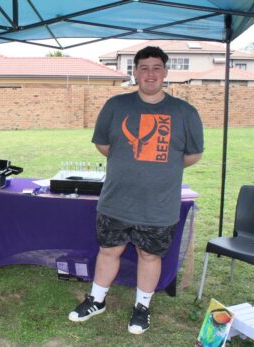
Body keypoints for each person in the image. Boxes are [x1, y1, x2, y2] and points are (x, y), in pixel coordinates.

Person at [68, 46, 204, 334]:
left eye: (157, 67)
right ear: (135, 72)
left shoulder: (185, 113)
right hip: (116, 201)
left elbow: (192, 155)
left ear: (166, 72)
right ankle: (97, 299)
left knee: (149, 256)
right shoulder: (115, 107)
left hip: (158, 205)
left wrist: (161, 169)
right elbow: (103, 145)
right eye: (144, 67)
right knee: (108, 251)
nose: (150, 73)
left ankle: (142, 307)